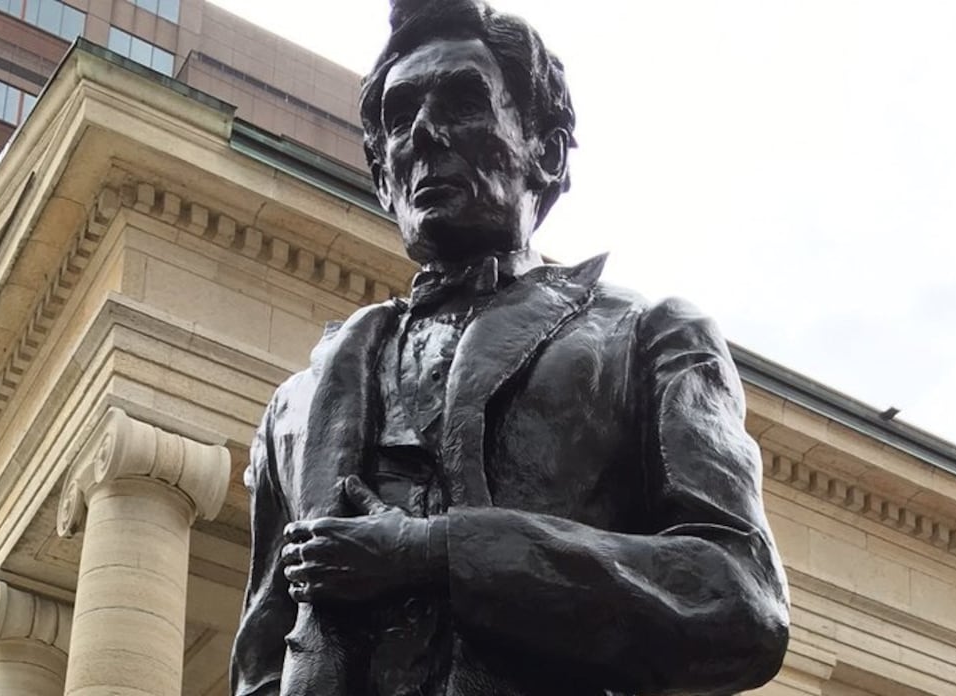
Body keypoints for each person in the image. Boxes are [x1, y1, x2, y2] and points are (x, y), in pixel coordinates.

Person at [231, 1, 789, 694]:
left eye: (463, 102)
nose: (425, 133)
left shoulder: (646, 338)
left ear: (546, 153)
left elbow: (740, 600)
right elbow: (259, 663)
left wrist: (433, 552)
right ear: (383, 180)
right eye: (400, 119)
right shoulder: (296, 406)